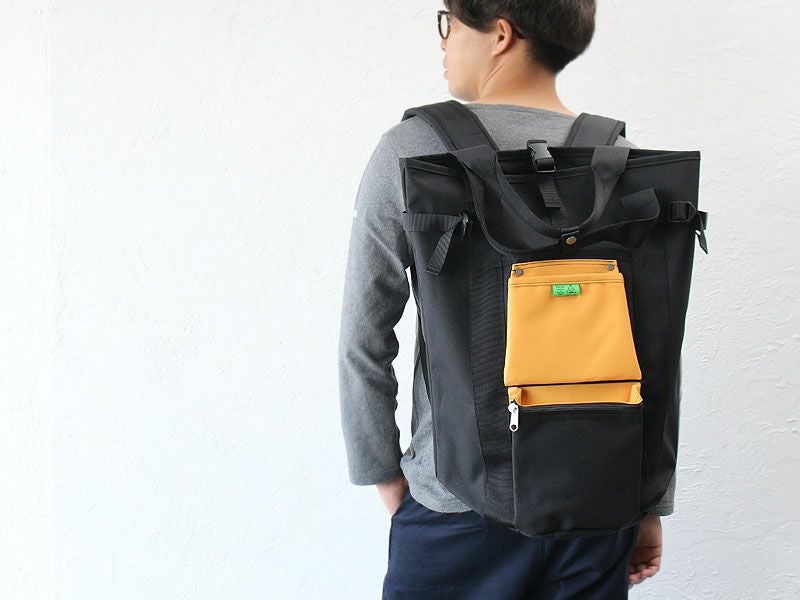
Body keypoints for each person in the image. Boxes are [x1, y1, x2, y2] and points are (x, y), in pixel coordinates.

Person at [338, 2, 674, 597]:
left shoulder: (411, 150)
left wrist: (387, 478)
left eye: (450, 22)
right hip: (598, 500)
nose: (444, 41)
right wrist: (648, 501)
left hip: (454, 505)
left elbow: (365, 335)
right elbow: (653, 346)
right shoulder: (617, 159)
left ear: (500, 34)